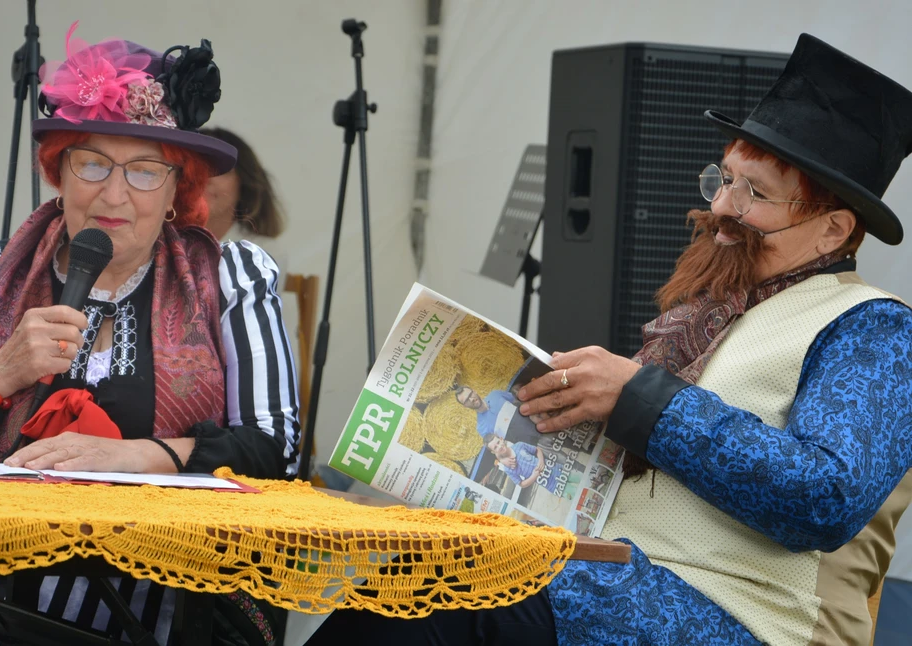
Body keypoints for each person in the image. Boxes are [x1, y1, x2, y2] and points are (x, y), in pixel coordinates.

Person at [310, 34, 912, 645]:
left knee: (444, 602)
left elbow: (826, 496)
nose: (721, 207)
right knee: (410, 583)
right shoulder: (714, 312)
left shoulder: (877, 328)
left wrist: (638, 397)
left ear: (833, 229)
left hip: (739, 619)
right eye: (723, 179)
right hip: (617, 578)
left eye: (753, 192)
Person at [0, 23, 300, 645]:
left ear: (178, 189)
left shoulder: (231, 278)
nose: (114, 193)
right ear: (59, 173)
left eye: (145, 171)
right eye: (92, 162)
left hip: (165, 609)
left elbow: (274, 450)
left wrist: (143, 458)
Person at [199, 126, 287, 241]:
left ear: (244, 181)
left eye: (218, 168)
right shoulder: (169, 247)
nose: (203, 177)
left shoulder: (261, 255)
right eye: (193, 167)